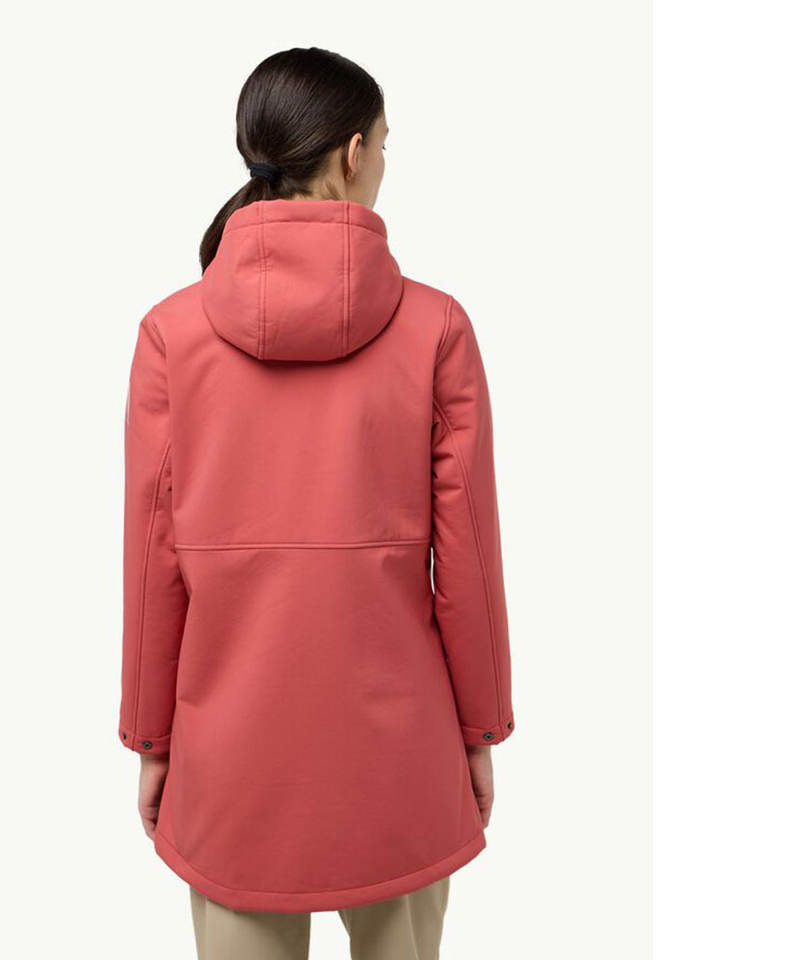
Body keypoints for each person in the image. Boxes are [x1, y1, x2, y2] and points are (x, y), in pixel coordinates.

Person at [119, 46, 514, 960]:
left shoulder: (171, 333)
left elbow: (152, 562)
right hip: (401, 753)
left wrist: (153, 739)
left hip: (231, 760)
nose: (383, 164)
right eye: (385, 145)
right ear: (352, 152)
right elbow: (469, 558)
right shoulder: (437, 327)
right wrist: (479, 728)